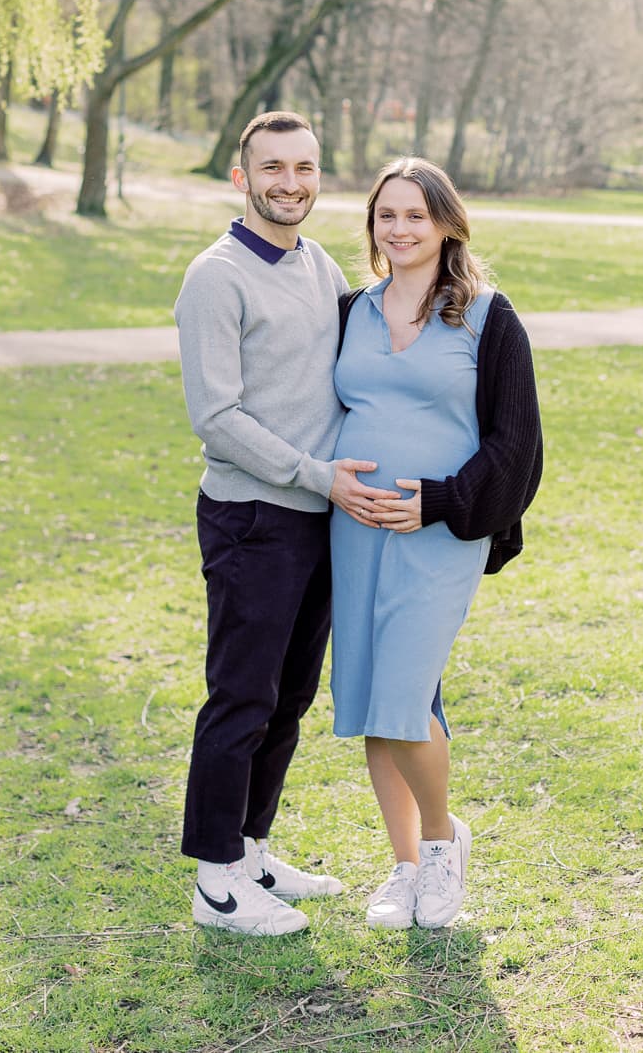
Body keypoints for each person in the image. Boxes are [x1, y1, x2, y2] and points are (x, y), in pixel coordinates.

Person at [174, 110, 379, 936]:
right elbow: (215, 415)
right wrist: (312, 472)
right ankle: (216, 881)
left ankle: (252, 848)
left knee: (288, 696)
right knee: (240, 696)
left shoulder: (318, 260)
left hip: (316, 516)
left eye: (304, 167)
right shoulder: (215, 277)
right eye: (273, 168)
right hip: (253, 515)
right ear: (241, 176)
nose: (290, 183)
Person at [330, 156, 542, 931]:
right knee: (367, 697)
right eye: (387, 215)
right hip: (353, 531)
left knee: (404, 695)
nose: (401, 228)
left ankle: (445, 841)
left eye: (416, 214)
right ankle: (405, 867)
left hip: (441, 534)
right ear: (373, 226)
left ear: (447, 222)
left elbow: (516, 442)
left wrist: (442, 501)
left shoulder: (488, 315)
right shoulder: (352, 308)